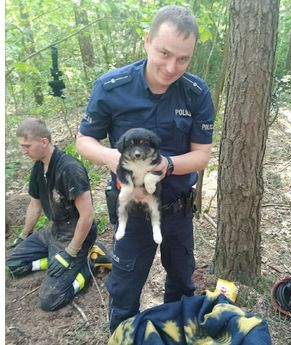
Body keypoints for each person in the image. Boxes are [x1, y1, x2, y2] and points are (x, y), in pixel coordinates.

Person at [75, 5, 215, 332]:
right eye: (164, 53)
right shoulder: (112, 87)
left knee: (181, 285)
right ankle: (122, 337)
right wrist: (113, 159)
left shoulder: (196, 93)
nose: (171, 67)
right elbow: (84, 141)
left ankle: (173, 335)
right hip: (133, 213)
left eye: (183, 59)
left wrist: (167, 165)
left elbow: (202, 155)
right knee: (124, 290)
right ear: (147, 41)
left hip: (177, 212)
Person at [6, 118, 109, 311]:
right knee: (13, 264)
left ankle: (91, 262)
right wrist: (23, 236)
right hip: (54, 230)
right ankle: (55, 260)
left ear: (44, 142)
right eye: (22, 146)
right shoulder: (38, 167)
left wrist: (69, 252)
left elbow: (87, 216)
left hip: (76, 233)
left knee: (51, 300)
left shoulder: (70, 168)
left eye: (27, 146)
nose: (24, 151)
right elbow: (35, 205)